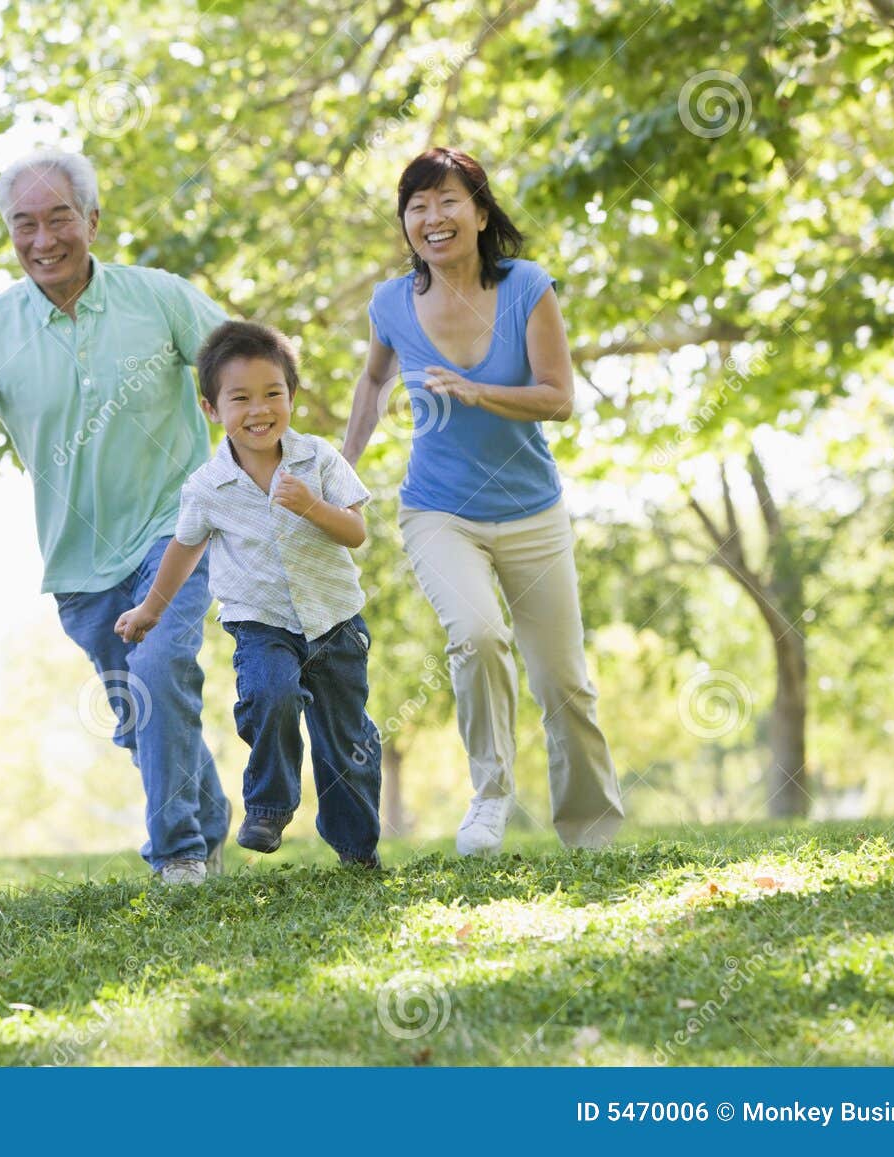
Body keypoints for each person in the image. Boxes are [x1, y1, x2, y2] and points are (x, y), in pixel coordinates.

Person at [0, 148, 230, 884]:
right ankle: (209, 817)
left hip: (176, 529)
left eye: (60, 218)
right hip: (79, 562)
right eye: (24, 224)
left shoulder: (160, 298)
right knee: (138, 715)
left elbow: (247, 366)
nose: (43, 239)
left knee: (161, 664)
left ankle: (178, 855)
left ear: (92, 220)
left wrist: (273, 472)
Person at [343, 146, 625, 856]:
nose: (432, 218)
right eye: (417, 207)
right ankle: (491, 796)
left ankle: (589, 832)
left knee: (564, 682)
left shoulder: (527, 287)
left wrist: (479, 392)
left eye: (447, 202)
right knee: (476, 634)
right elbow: (374, 383)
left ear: (479, 210)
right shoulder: (391, 304)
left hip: (532, 511)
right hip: (438, 509)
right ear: (406, 223)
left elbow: (558, 399)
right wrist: (343, 465)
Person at [116, 321, 382, 867]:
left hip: (334, 620)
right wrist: (150, 609)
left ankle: (357, 852)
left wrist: (312, 505)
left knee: (345, 743)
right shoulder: (206, 487)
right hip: (260, 622)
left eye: (272, 394)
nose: (259, 410)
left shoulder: (319, 460)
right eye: (240, 398)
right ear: (212, 409)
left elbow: (356, 533)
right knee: (270, 694)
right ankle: (268, 806)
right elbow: (184, 550)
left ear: (291, 396)